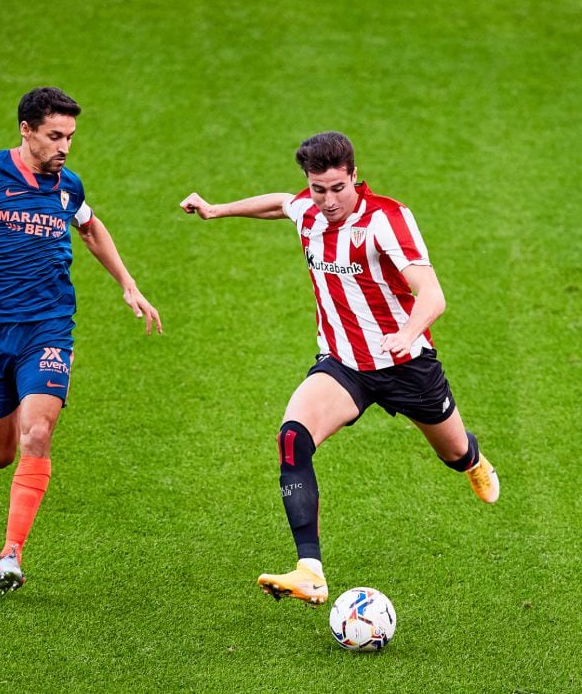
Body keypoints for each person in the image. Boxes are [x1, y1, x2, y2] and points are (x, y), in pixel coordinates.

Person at [180, 131, 498, 605]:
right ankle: (310, 570)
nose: (327, 201)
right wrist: (217, 209)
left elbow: (432, 295)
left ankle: (472, 460)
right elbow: (279, 204)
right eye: (317, 189)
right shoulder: (307, 211)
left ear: (354, 175)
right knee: (292, 438)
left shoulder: (387, 220)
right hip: (343, 364)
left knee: (453, 453)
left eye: (336, 188)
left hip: (406, 364)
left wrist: (406, 334)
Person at [0, 87, 162, 595]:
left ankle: (11, 554)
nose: (65, 147)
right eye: (55, 136)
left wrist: (129, 284)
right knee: (0, 455)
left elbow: (91, 228)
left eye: (70, 137)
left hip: (49, 327)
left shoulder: (66, 185)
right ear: (26, 130)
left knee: (37, 433)